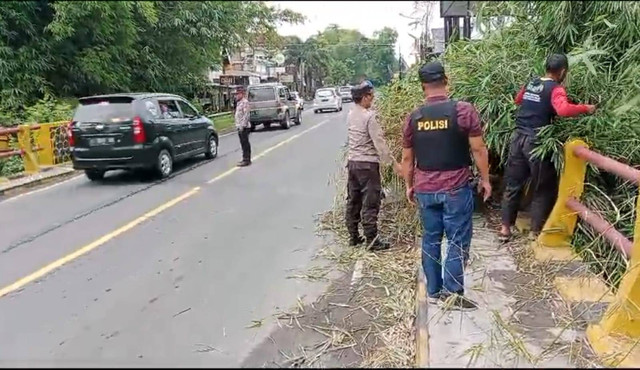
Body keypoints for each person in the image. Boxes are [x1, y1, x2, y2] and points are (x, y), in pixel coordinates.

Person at [401, 61, 491, 310]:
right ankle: (452, 293)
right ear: (446, 81)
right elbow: (478, 149)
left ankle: (433, 290)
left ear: (422, 86)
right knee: (456, 239)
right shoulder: (463, 111)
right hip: (455, 188)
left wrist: (410, 185)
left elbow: (408, 158)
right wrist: (485, 179)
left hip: (425, 189)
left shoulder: (414, 117)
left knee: (431, 239)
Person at [499, 53, 597, 242]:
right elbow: (563, 110)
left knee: (513, 184)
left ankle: (505, 228)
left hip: (518, 137)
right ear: (562, 71)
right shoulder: (556, 88)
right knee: (543, 185)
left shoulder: (532, 82)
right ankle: (536, 231)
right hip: (537, 141)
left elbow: (518, 100)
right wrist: (586, 108)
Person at [346, 80, 402, 251]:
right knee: (371, 202)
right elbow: (379, 143)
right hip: (367, 166)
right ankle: (372, 240)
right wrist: (392, 163)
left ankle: (354, 236)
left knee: (353, 200)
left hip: (353, 163)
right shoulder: (369, 116)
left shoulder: (351, 114)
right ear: (364, 97)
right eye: (371, 96)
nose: (373, 98)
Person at [234, 86, 252, 167]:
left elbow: (246, 115)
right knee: (242, 143)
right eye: (236, 94)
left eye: (238, 94)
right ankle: (245, 158)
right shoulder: (239, 102)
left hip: (244, 127)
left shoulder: (245, 102)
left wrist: (242, 126)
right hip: (240, 126)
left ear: (242, 94)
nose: (236, 95)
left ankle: (246, 159)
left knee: (245, 143)